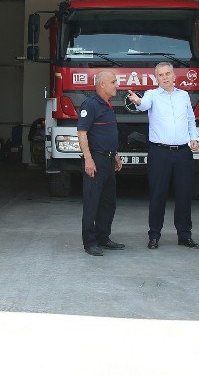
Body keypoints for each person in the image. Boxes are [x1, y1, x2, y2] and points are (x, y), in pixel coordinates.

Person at [126, 62, 199, 250]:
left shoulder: (184, 96)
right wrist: (137, 101)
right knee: (158, 194)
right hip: (160, 152)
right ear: (156, 78)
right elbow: (143, 105)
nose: (165, 77)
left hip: (183, 152)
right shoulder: (152, 95)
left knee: (184, 194)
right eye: (161, 75)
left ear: (174, 76)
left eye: (168, 74)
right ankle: (154, 236)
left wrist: (194, 138)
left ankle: (184, 235)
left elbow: (191, 120)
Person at [78, 69, 125, 256]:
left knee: (108, 202)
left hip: (108, 159)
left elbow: (106, 135)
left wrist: (115, 155)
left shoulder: (107, 104)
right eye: (114, 82)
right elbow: (82, 133)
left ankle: (103, 238)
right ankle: (90, 243)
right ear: (102, 84)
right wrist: (88, 159)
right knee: (92, 202)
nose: (117, 85)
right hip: (95, 160)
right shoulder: (90, 105)